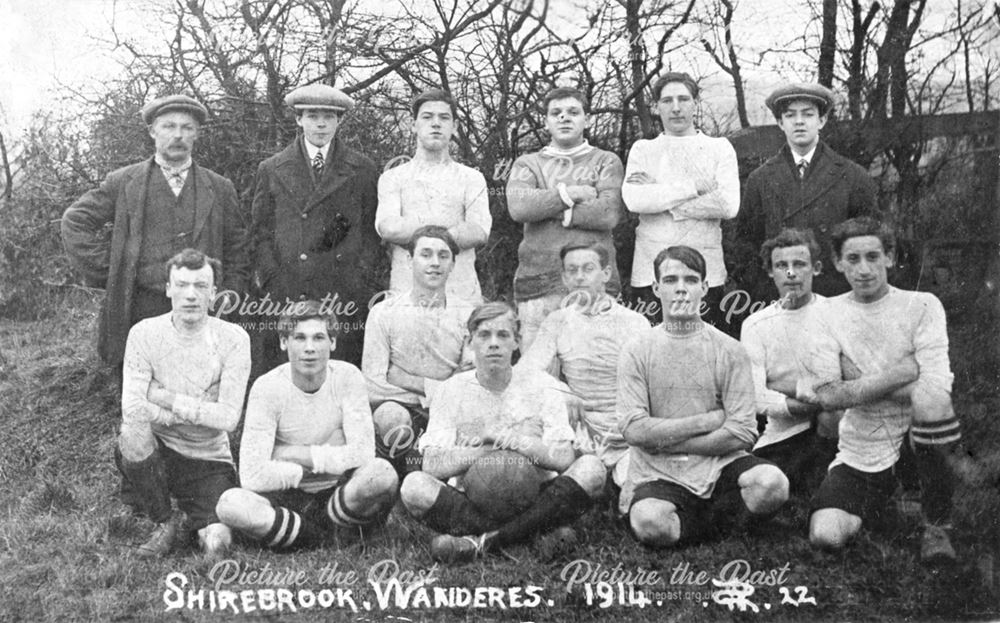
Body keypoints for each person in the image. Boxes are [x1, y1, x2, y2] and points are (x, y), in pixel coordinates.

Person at [800, 217, 961, 562]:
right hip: (862, 444)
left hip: (915, 435)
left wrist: (855, 378)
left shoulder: (923, 305)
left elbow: (936, 385)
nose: (864, 269)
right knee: (825, 536)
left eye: (873, 257)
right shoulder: (826, 313)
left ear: (889, 257)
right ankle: (886, 504)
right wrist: (902, 371)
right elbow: (827, 395)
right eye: (853, 259)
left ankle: (935, 525)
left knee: (932, 402)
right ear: (838, 263)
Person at [399, 302, 606, 563]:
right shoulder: (450, 390)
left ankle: (481, 541)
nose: (493, 343)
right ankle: (532, 532)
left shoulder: (542, 385)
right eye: (484, 335)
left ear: (517, 342)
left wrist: (504, 436)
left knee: (592, 468)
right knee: (413, 487)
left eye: (503, 335)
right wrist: (488, 447)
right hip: (471, 498)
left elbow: (564, 458)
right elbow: (431, 465)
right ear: (471, 341)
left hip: (537, 494)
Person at [618, 246, 789, 547]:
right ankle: (718, 520)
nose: (681, 289)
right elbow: (633, 429)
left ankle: (698, 519)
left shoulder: (730, 349)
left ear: (704, 287)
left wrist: (667, 441)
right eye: (671, 280)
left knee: (773, 484)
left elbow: (742, 432)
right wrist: (706, 420)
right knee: (650, 522)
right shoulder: (637, 349)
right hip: (659, 470)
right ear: (656, 288)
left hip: (718, 462)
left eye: (691, 280)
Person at [62, 94, 249, 367]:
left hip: (201, 309)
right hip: (141, 307)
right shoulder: (125, 181)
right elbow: (75, 221)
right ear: (152, 131)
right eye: (168, 127)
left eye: (187, 128)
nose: (178, 135)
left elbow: (237, 249)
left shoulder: (219, 187)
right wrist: (115, 269)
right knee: (142, 391)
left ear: (197, 134)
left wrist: (227, 297)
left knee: (200, 386)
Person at [215, 301, 398, 549]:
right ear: (284, 342)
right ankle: (318, 537)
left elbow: (364, 454)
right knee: (229, 504)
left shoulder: (348, 376)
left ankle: (321, 526)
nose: (309, 348)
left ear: (332, 342)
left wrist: (292, 454)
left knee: (382, 473)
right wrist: (316, 465)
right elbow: (252, 476)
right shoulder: (267, 386)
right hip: (285, 495)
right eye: (299, 338)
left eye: (319, 338)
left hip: (338, 490)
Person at [116, 249, 250, 557]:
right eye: (182, 285)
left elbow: (229, 419)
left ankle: (195, 517)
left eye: (201, 286)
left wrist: (164, 396)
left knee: (218, 545)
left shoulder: (234, 339)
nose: (191, 295)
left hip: (208, 458)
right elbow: (133, 408)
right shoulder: (144, 333)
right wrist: (202, 408)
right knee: (133, 430)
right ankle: (166, 520)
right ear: (168, 289)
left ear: (214, 293)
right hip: (159, 448)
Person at [250, 83, 381, 372]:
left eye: (329, 116)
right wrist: (273, 278)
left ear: (339, 120)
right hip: (289, 289)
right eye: (312, 116)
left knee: (340, 371)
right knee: (286, 371)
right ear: (298, 119)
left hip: (342, 291)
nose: (321, 123)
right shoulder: (272, 168)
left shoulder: (362, 169)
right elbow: (259, 233)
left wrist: (359, 277)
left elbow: (372, 233)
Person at [517, 242, 648, 491]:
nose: (579, 277)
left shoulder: (634, 323)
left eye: (588, 269)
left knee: (635, 491)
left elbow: (649, 384)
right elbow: (525, 372)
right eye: (572, 270)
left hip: (626, 429)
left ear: (606, 274)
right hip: (580, 428)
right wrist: (559, 390)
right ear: (565, 278)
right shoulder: (558, 321)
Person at [506, 87, 625, 349]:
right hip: (538, 286)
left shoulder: (606, 161)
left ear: (587, 119)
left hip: (595, 287)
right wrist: (572, 194)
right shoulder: (527, 164)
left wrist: (553, 207)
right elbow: (520, 207)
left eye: (573, 112)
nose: (564, 118)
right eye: (556, 113)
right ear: (546, 121)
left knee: (592, 369)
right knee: (538, 376)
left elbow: (607, 213)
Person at [622, 72, 740, 330]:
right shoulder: (643, 149)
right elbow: (634, 200)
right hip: (649, 273)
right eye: (667, 101)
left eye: (683, 99)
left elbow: (728, 205)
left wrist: (659, 194)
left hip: (705, 272)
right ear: (656, 106)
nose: (676, 108)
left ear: (695, 103)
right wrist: (694, 187)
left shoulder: (719, 147)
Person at [737, 83, 878, 298]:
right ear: (780, 123)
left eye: (808, 114)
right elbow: (747, 245)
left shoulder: (853, 175)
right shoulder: (760, 179)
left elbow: (870, 242)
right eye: (790, 115)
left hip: (837, 294)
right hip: (781, 294)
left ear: (821, 121)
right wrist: (763, 290)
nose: (799, 121)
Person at [362, 226, 475, 476]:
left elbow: (469, 386)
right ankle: (391, 478)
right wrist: (439, 388)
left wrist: (409, 380)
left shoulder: (468, 315)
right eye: (426, 254)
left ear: (453, 264)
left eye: (443, 256)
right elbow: (373, 387)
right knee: (392, 418)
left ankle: (431, 475)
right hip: (401, 408)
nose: (435, 263)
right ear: (410, 260)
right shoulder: (384, 312)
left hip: (450, 412)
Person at [741, 229, 838, 494]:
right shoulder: (756, 325)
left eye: (799, 264)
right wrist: (804, 401)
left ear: (816, 268)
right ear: (771, 272)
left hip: (835, 429)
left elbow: (849, 382)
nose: (791, 273)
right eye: (782, 265)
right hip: (783, 432)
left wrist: (782, 386)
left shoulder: (838, 314)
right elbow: (756, 396)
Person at [376, 89, 491, 302]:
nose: (436, 123)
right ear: (414, 125)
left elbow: (478, 231)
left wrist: (417, 233)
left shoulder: (472, 178)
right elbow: (389, 228)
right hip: (406, 292)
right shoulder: (393, 178)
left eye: (444, 117)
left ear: (454, 126)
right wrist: (452, 230)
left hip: (461, 295)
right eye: (427, 117)